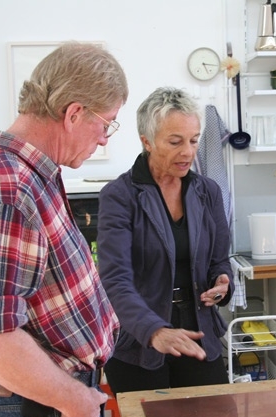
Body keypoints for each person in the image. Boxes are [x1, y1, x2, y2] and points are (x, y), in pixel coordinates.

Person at [0, 42, 128, 417]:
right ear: (74, 113)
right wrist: (76, 402)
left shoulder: (31, 175)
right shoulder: (9, 191)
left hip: (50, 397)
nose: (104, 138)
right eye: (107, 123)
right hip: (41, 407)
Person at [97, 87, 234, 393]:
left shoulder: (208, 192)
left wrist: (222, 282)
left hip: (198, 334)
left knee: (216, 414)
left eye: (194, 140)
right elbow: (115, 280)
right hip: (138, 340)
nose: (188, 152)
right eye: (175, 142)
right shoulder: (119, 196)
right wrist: (154, 330)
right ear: (147, 141)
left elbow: (219, 260)